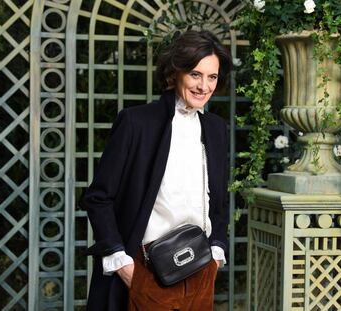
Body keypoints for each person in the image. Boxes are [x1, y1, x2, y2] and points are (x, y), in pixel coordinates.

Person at [81, 30, 232, 311]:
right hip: (145, 271)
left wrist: (217, 251)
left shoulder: (216, 129)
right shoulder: (136, 123)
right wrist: (121, 261)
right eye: (195, 74)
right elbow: (98, 197)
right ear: (175, 73)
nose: (204, 86)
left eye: (212, 77)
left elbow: (219, 200)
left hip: (200, 269)